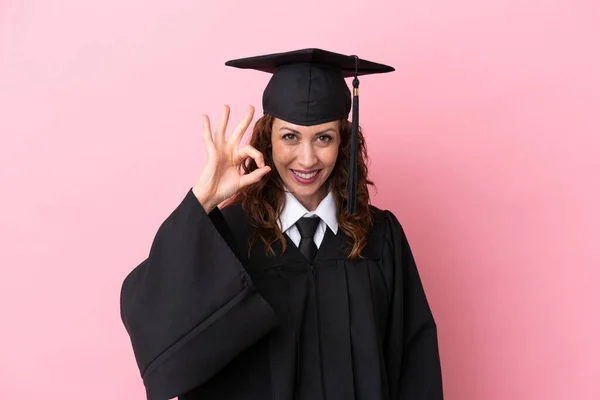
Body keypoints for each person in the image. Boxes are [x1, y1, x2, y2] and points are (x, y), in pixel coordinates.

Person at [120, 48, 444, 400]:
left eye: (324, 137)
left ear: (343, 141)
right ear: (267, 139)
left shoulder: (380, 237)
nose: (307, 158)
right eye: (290, 136)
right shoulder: (228, 234)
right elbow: (156, 323)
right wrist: (204, 199)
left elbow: (415, 365)